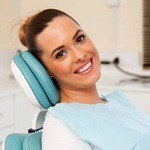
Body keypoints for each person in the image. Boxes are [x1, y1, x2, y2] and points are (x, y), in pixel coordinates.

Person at [19, 9, 150, 150]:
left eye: (79, 39)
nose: (80, 55)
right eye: (61, 54)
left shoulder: (116, 103)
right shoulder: (61, 127)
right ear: (46, 71)